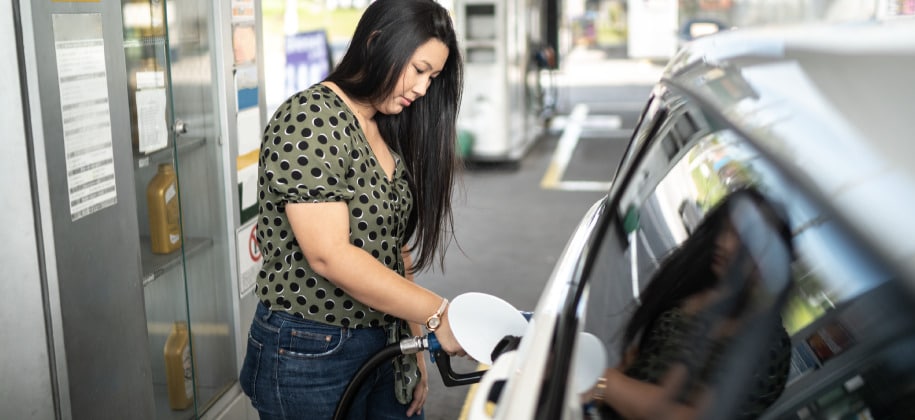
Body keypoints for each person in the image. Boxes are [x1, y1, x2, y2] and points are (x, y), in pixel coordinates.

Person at [239, 1, 465, 419]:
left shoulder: (384, 125)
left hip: (384, 342)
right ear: (377, 42)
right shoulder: (310, 119)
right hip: (310, 351)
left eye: (432, 77)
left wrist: (414, 342)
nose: (422, 89)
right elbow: (330, 255)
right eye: (418, 69)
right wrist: (437, 313)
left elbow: (394, 248)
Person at [586, 189, 793, 419]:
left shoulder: (768, 345)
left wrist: (605, 384)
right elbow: (645, 362)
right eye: (725, 230)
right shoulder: (711, 290)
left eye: (741, 237)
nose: (723, 243)